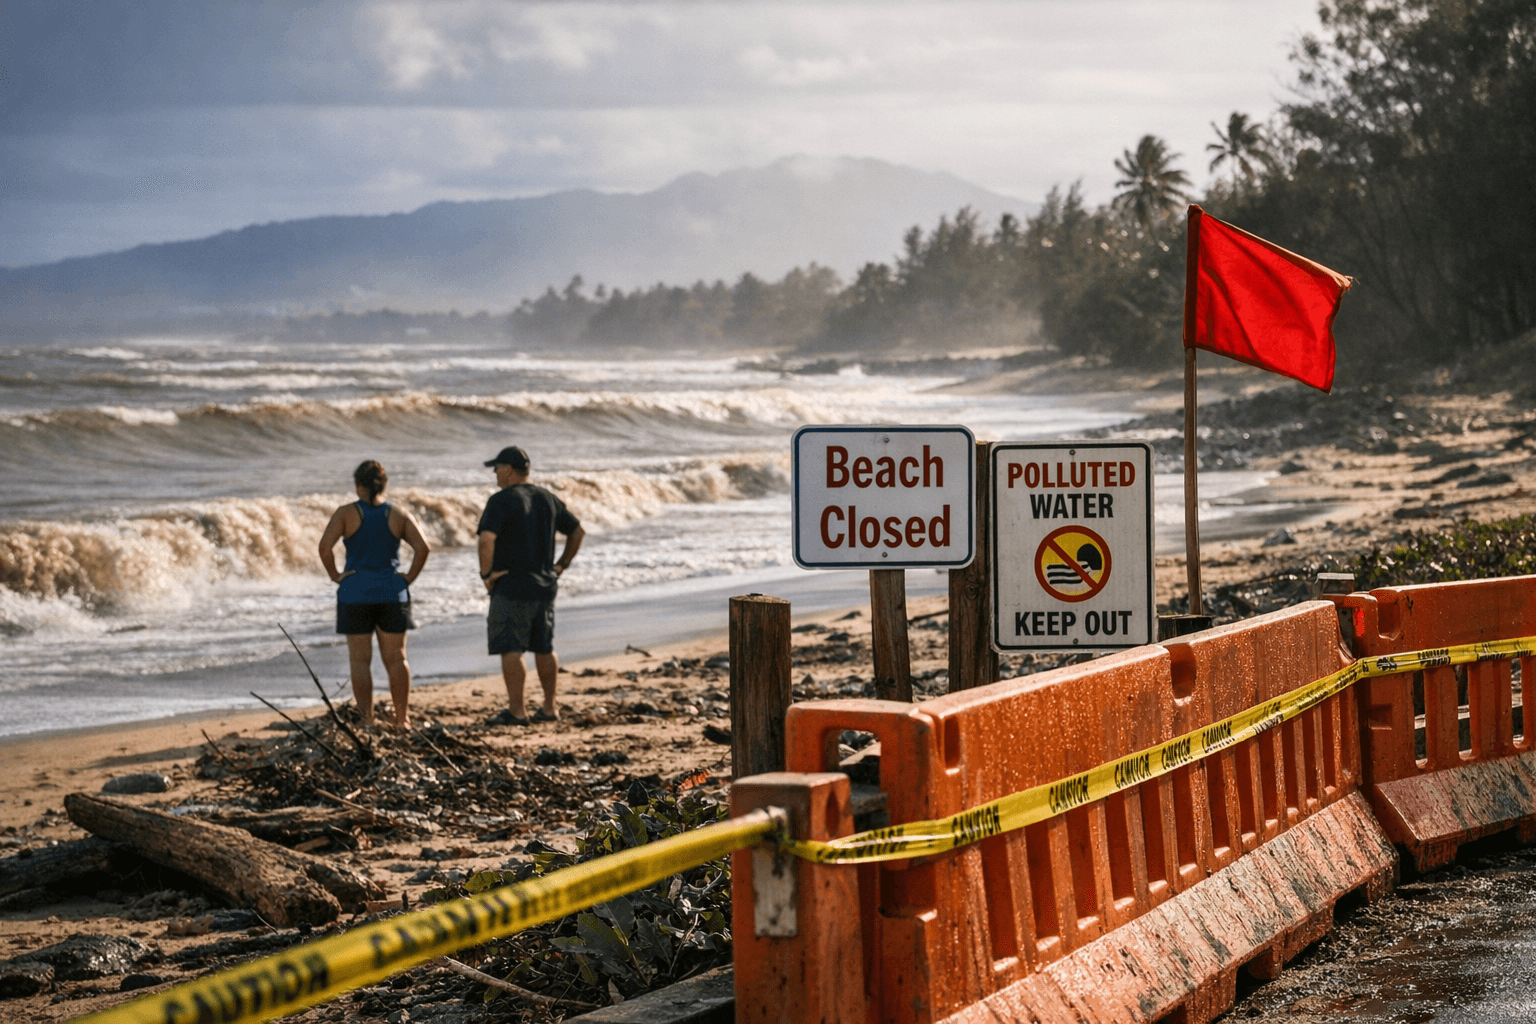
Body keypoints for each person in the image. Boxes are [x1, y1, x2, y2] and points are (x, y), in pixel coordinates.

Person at [318, 460, 430, 729]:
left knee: (359, 660)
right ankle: (402, 719)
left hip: (355, 593)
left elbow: (324, 547)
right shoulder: (398, 514)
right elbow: (423, 548)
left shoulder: (346, 513)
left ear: (358, 485)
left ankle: (367, 720)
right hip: (392, 592)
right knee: (397, 659)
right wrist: (409, 577)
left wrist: (335, 575)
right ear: (384, 484)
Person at [477, 445, 584, 726]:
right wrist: (560, 566)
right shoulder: (547, 498)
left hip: (512, 584)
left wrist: (486, 574)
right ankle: (550, 707)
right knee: (544, 647)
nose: (495, 474)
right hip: (545, 584)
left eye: (497, 468)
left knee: (511, 647)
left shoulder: (501, 500)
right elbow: (577, 531)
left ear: (509, 469)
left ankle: (517, 710)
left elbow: (486, 539)